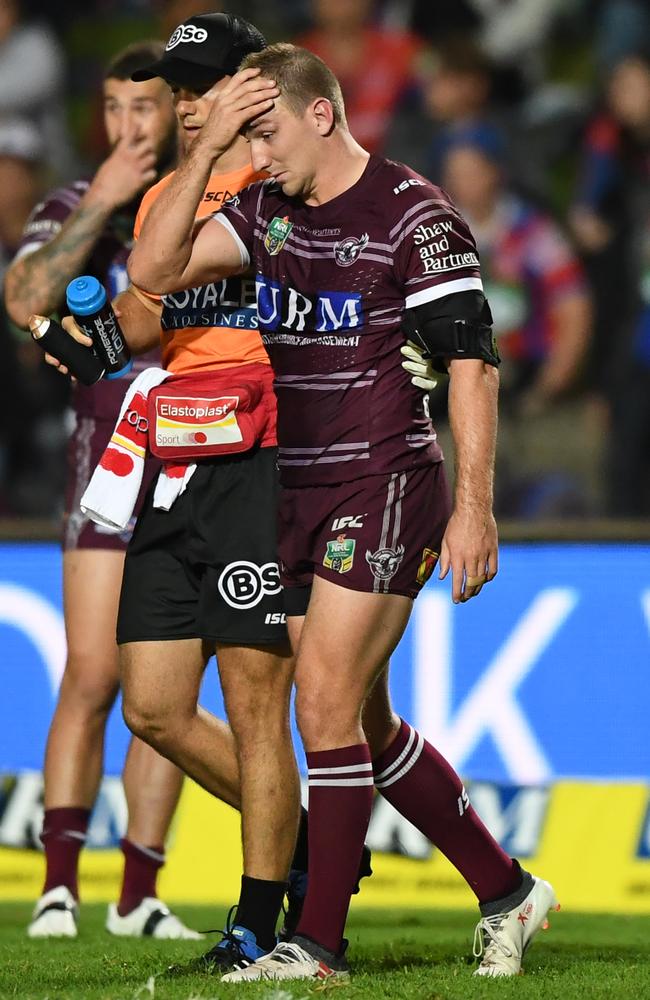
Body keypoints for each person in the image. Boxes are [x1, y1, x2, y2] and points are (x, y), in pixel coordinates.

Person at [128, 43, 558, 981]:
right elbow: (154, 270)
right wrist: (205, 156)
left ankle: (313, 947)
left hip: (388, 480)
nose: (260, 153)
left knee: (319, 699)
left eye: (268, 130)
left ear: (323, 114)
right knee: (367, 727)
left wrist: (475, 509)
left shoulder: (417, 218)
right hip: (298, 489)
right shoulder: (264, 211)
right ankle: (510, 892)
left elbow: (473, 367)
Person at [57, 13, 371, 973]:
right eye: (182, 94)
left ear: (255, 89)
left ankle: (259, 919)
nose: (189, 108)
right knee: (150, 706)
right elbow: (151, 309)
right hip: (175, 461)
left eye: (206, 89)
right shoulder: (167, 198)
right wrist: (91, 342)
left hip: (263, 462)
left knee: (252, 702)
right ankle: (321, 849)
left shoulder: (292, 190)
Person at [3, 40, 204, 941]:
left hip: (197, 469)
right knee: (90, 675)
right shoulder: (72, 206)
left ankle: (140, 892)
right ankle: (58, 885)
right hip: (105, 470)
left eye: (145, 109)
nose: (128, 127)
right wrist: (106, 204)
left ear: (176, 111)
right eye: (115, 110)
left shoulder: (206, 202)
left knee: (170, 691)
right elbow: (24, 296)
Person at [439, 124, 594, 517]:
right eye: (454, 173)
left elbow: (573, 307)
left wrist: (550, 385)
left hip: (524, 380)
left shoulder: (531, 231)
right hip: (455, 383)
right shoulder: (439, 235)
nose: (462, 182)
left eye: (471, 171)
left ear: (495, 172)